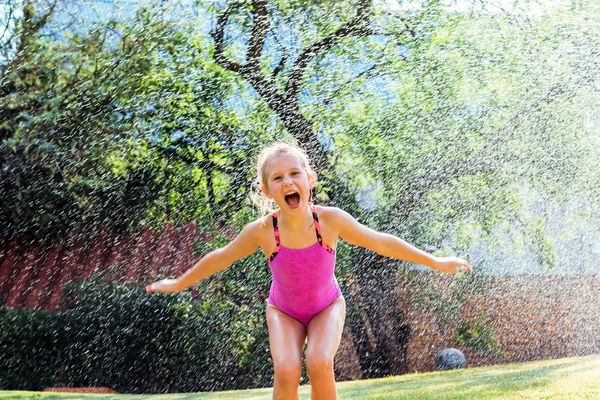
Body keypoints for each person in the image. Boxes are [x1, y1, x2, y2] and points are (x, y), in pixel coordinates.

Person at [146, 142, 473, 400]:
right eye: (277, 178)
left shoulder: (329, 221)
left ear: (309, 179)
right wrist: (179, 283)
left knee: (318, 362)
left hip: (327, 307)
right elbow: (221, 257)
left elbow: (382, 243)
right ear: (267, 191)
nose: (287, 181)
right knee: (287, 370)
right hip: (283, 311)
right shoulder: (263, 230)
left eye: (294, 174)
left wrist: (436, 261)